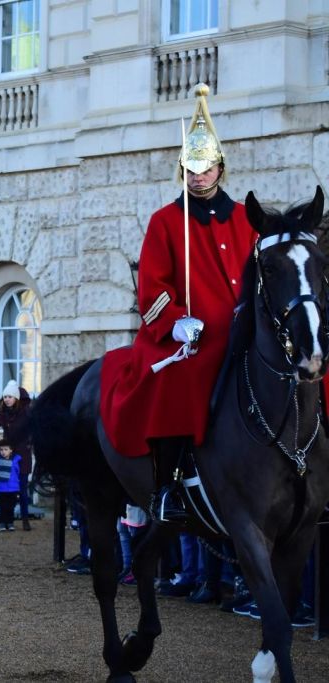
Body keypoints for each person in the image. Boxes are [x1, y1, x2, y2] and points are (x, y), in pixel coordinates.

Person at [98, 83, 255, 525]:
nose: (198, 176)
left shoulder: (245, 218)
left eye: (206, 169)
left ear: (220, 169)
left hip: (245, 331)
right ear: (182, 171)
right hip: (194, 335)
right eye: (191, 169)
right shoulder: (165, 222)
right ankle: (170, 485)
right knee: (177, 378)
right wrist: (176, 322)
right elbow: (152, 288)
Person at [0, 379, 33, 530]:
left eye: (10, 397)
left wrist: (31, 442)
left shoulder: (27, 411)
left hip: (23, 455)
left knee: (22, 489)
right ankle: (6, 520)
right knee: (5, 490)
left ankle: (25, 519)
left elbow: (34, 427)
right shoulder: (2, 413)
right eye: (5, 397)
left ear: (16, 398)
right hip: (7, 454)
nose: (7, 399)